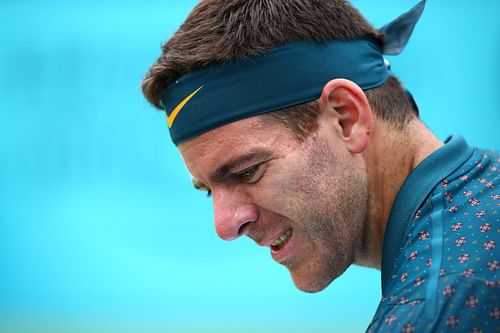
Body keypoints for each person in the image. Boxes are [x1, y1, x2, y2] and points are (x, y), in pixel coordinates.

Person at [141, 0, 499, 331]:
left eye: (248, 171)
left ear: (347, 118)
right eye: (207, 192)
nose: (225, 225)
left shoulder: (433, 311)